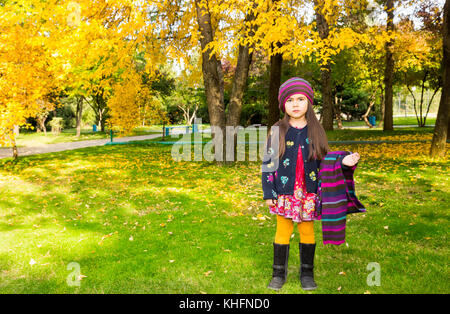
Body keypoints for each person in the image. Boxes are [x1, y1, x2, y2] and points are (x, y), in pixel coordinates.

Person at [261, 77, 360, 291]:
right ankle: (278, 274)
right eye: (289, 100)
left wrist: (342, 161)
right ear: (282, 105)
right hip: (284, 193)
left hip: (308, 193)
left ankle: (307, 274)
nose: (295, 104)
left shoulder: (316, 130)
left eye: (300, 99)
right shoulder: (278, 129)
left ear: (309, 103)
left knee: (307, 231)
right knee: (282, 231)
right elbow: (268, 163)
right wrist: (268, 192)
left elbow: (325, 159)